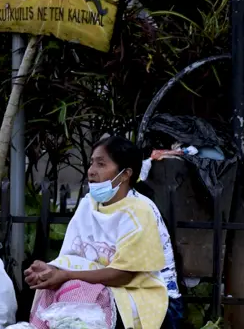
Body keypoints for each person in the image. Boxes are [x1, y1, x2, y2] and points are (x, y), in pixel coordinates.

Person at [25, 136, 182, 329]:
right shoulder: (88, 205)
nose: (91, 171)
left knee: (77, 293)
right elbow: (73, 259)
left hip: (150, 298)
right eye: (92, 163)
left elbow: (123, 276)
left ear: (125, 174)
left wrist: (66, 275)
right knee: (63, 289)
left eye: (101, 164)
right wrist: (51, 271)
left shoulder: (140, 211)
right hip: (106, 288)